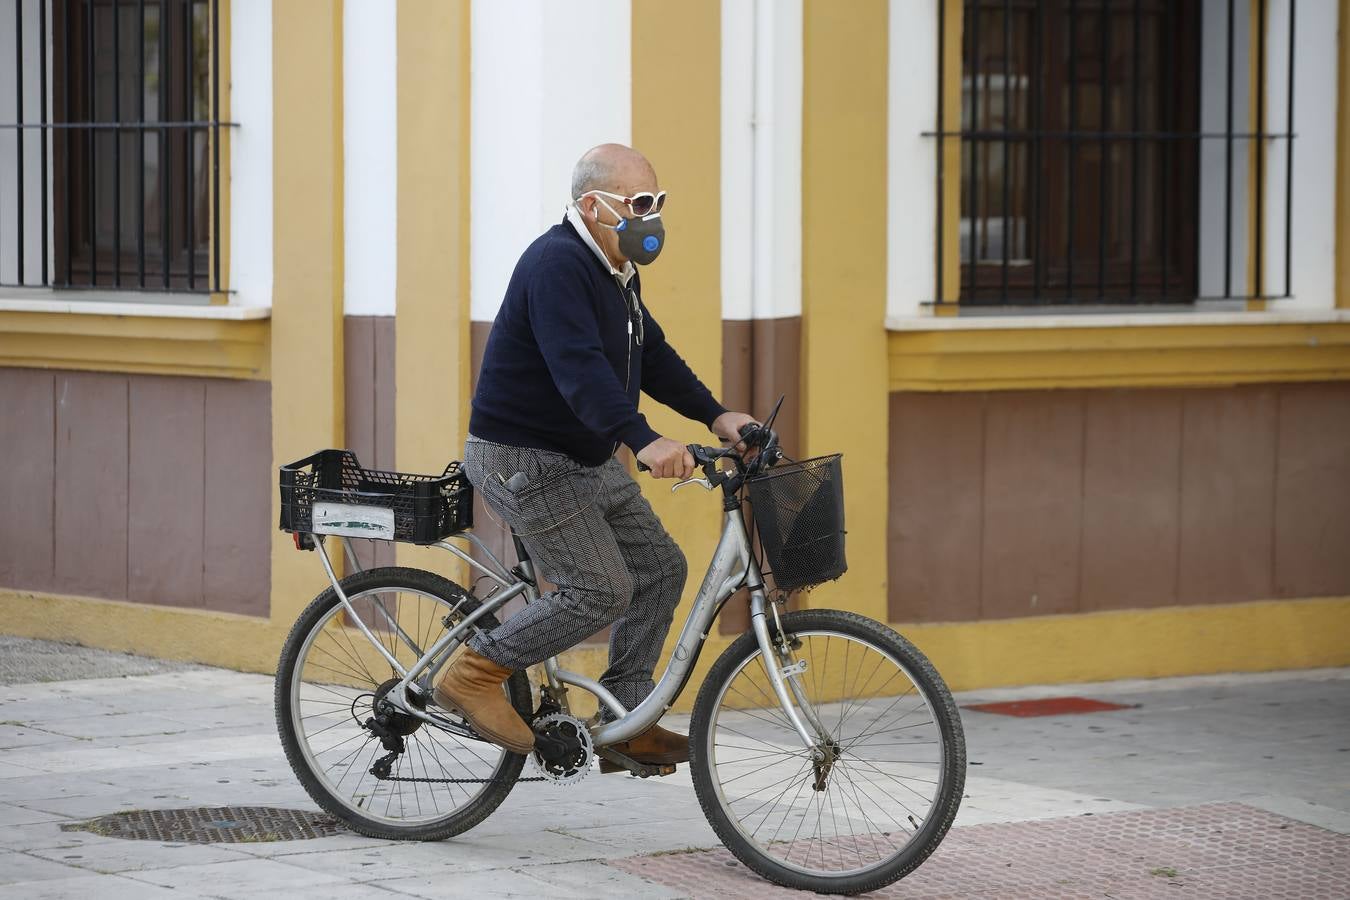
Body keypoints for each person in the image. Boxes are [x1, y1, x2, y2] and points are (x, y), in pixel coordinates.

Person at [431, 144, 757, 767]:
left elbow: (652, 357)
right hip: (522, 459)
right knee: (597, 589)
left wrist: (716, 416)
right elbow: (579, 371)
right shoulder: (558, 263)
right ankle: (472, 674)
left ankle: (625, 719)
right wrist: (644, 439)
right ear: (592, 205)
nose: (650, 217)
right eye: (638, 204)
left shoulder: (616, 272)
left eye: (656, 204)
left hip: (581, 458)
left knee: (660, 569)